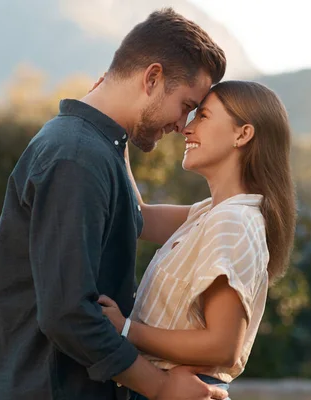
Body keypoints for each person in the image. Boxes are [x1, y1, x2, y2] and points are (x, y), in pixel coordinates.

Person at [0, 8, 230, 400]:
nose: (183, 125)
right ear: (153, 78)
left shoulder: (97, 148)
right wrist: (161, 388)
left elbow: (141, 218)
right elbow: (68, 314)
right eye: (185, 105)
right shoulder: (76, 157)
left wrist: (244, 208)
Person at [98, 80, 297, 400]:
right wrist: (115, 126)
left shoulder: (232, 222)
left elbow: (223, 346)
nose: (187, 129)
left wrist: (126, 329)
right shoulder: (212, 213)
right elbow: (138, 216)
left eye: (203, 116)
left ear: (242, 134)